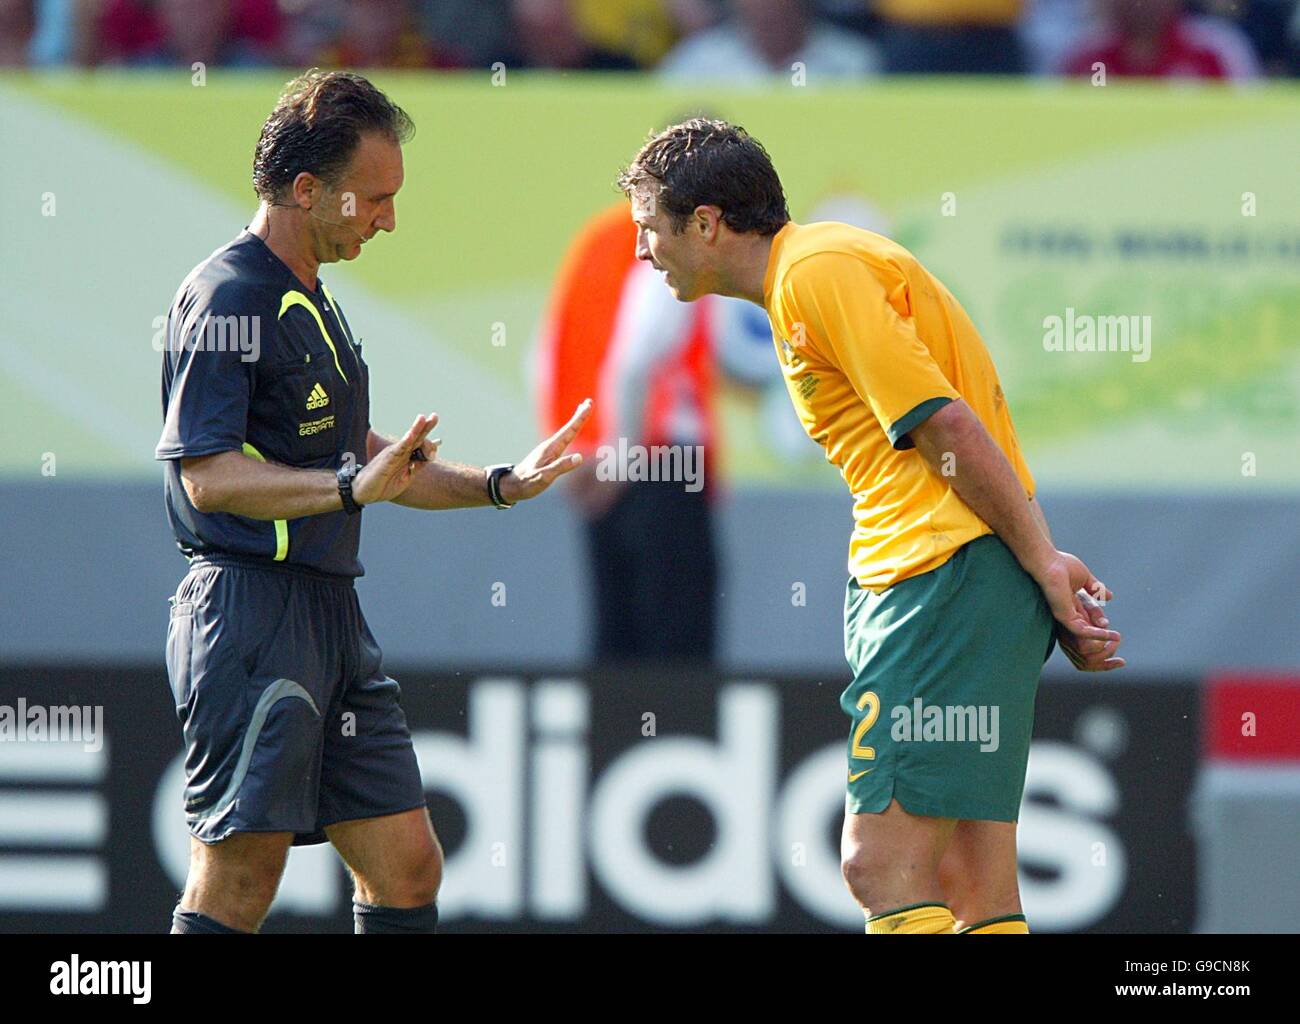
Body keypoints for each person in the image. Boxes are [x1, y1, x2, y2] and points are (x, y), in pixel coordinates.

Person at [618, 118, 1125, 935]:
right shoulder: (817, 272)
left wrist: (1040, 568)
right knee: (973, 882)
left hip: (937, 581)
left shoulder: (815, 273)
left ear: (706, 222)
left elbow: (947, 427)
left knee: (877, 862)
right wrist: (1035, 560)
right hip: (965, 572)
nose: (642, 252)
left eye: (649, 230)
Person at [156, 69, 590, 934]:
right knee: (240, 878)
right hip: (249, 614)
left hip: (329, 615)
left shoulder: (308, 297)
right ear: (307, 189)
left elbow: (361, 458)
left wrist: (499, 484)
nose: (389, 219)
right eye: (375, 199)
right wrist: (348, 488)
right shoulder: (228, 297)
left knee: (408, 867)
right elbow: (205, 473)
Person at [536, 203, 721, 664]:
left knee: (617, 643)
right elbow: (634, 361)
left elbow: (542, 358)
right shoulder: (674, 244)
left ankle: (621, 736)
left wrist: (577, 454)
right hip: (658, 463)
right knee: (677, 648)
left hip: (602, 465)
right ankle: (672, 738)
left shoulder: (599, 241)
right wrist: (622, 460)